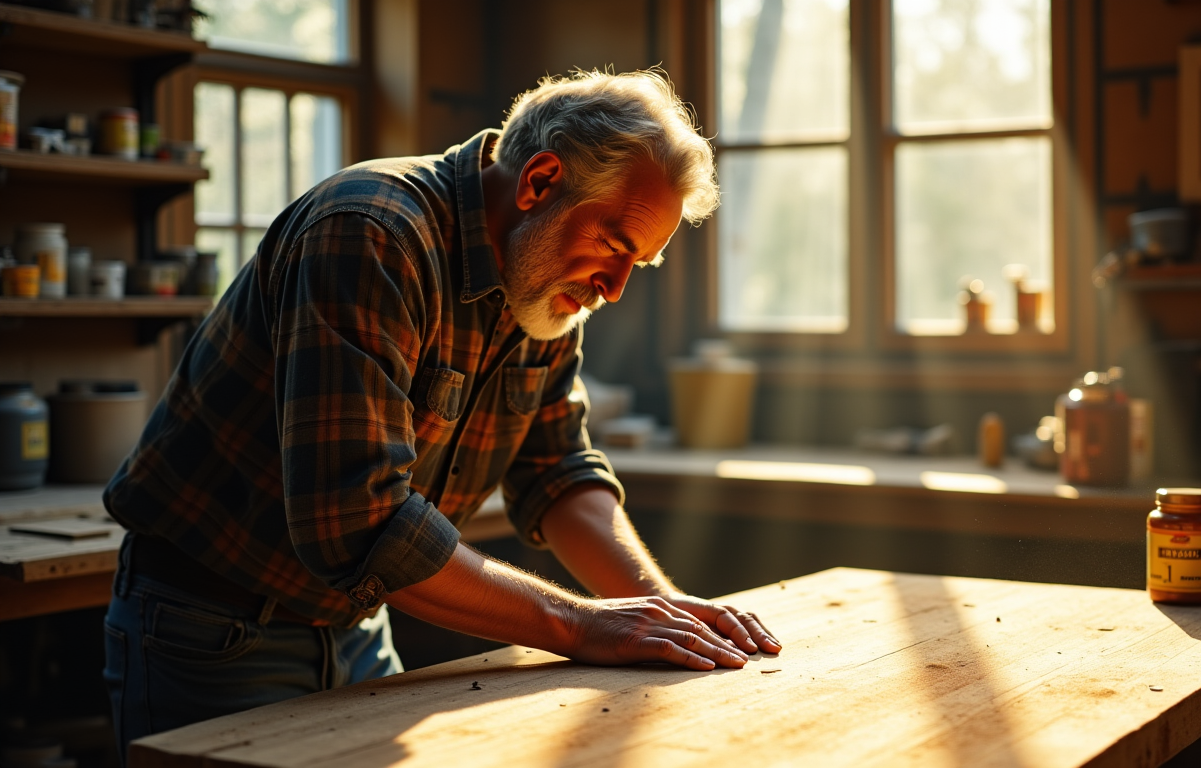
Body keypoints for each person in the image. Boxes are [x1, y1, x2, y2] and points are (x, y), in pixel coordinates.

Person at [101, 70, 781, 758]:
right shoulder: (370, 232)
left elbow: (558, 474)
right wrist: (582, 625)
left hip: (356, 628)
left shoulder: (543, 283)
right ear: (540, 182)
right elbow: (357, 521)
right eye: (614, 245)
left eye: (642, 262)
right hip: (208, 630)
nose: (615, 287)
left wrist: (666, 614)